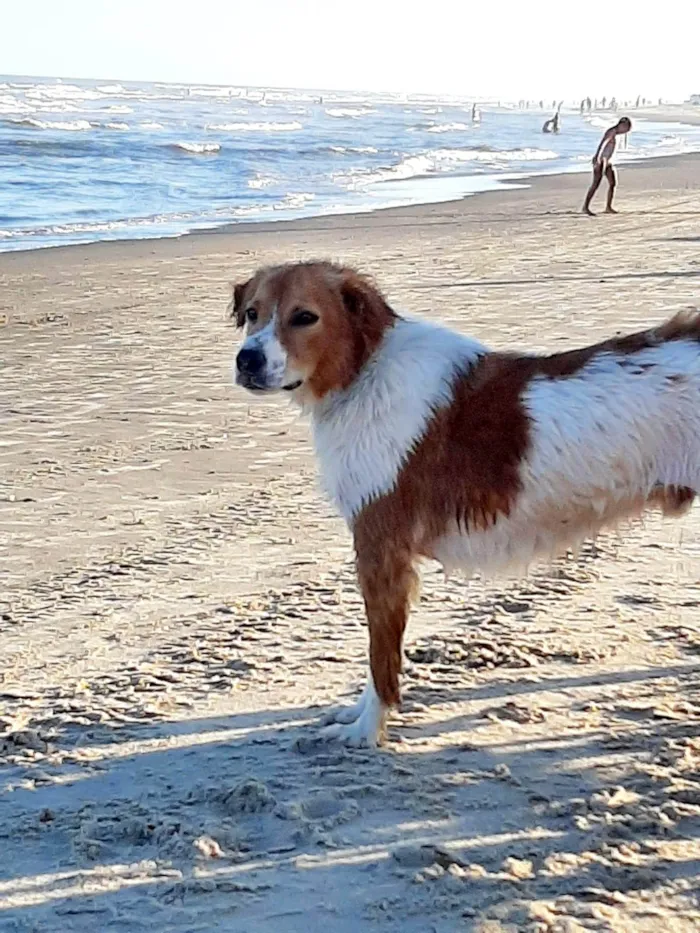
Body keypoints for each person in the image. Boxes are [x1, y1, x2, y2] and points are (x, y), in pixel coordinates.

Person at [582, 117, 632, 215]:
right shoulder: (611, 132)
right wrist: (597, 157)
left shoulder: (615, 133)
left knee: (612, 183)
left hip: (608, 161)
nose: (625, 132)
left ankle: (608, 207)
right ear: (622, 125)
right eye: (626, 129)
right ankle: (585, 207)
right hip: (602, 160)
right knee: (596, 183)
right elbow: (602, 144)